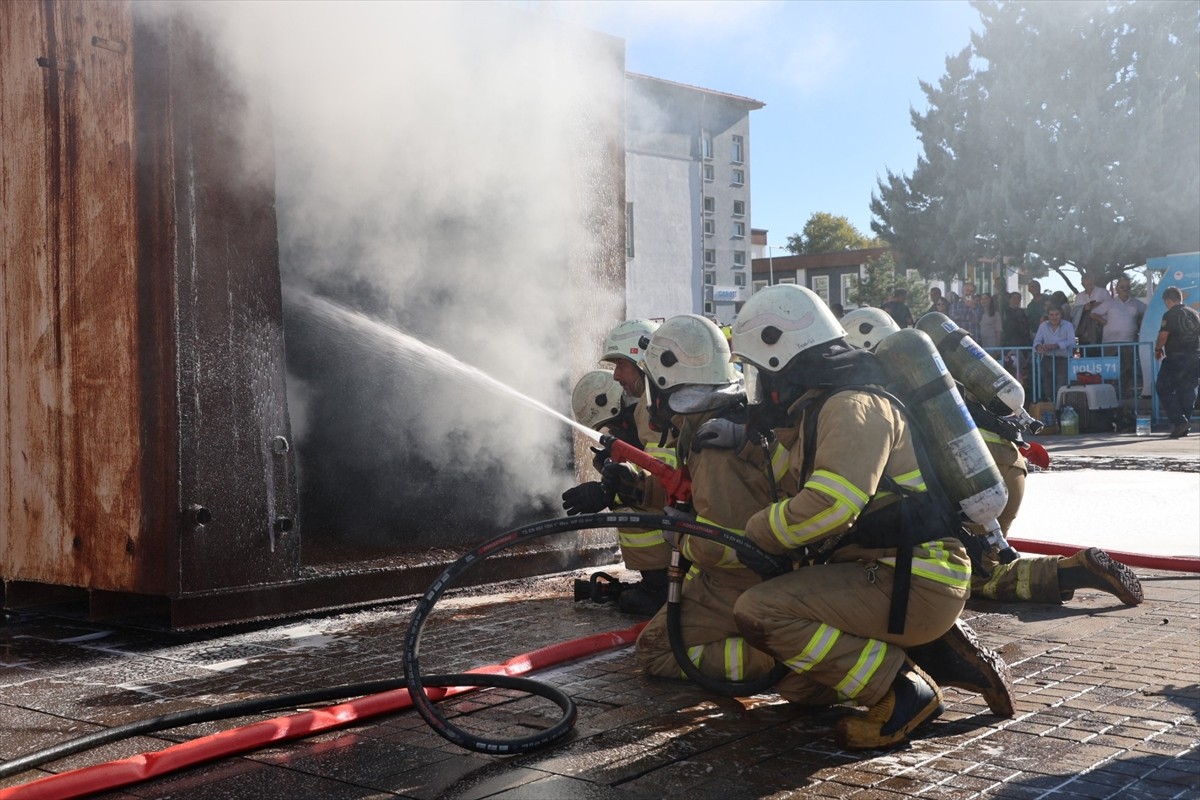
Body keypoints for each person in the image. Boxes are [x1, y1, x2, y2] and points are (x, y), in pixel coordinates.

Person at [727, 284, 974, 750]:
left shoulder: (853, 406)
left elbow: (831, 505)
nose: (759, 387)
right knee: (799, 686)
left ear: (783, 359)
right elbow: (792, 484)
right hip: (886, 570)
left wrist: (757, 532)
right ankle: (924, 654)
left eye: (759, 372)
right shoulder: (820, 410)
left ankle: (904, 689)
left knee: (760, 611)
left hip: (914, 577)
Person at [845, 320, 1144, 610]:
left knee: (969, 577)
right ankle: (1018, 559)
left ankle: (1073, 571)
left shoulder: (877, 389)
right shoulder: (925, 364)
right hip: (1005, 464)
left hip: (970, 479)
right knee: (992, 551)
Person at [630, 315, 782, 685]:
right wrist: (639, 489)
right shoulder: (712, 424)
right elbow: (692, 492)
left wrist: (678, 537)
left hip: (737, 584)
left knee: (656, 651)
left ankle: (783, 661)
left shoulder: (714, 448)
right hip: (740, 580)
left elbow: (724, 543)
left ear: (667, 383)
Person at [563, 319, 674, 616]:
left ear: (643, 360)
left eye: (622, 365)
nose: (616, 375)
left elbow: (664, 476)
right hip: (687, 530)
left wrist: (608, 493)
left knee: (628, 508)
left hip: (692, 531)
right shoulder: (652, 406)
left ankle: (659, 587)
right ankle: (657, 583)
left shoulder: (653, 409)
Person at [1153, 287, 1200, 439]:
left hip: (1176, 357)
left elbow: (1163, 336)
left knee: (1163, 387)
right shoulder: (1194, 314)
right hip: (1194, 356)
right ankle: (1183, 426)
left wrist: (1158, 349)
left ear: (1168, 300)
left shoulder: (1170, 313)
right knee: (1187, 391)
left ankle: (1180, 422)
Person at [1092, 277, 1146, 394]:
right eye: (1122, 287)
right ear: (1116, 289)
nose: (1125, 289)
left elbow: (1146, 315)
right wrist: (1102, 322)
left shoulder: (1138, 304)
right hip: (1109, 343)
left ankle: (1123, 394)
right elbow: (1093, 313)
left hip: (1129, 342)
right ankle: (1109, 394)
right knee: (1109, 370)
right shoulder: (1109, 303)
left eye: (1128, 287)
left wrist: (1140, 323)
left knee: (1126, 370)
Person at [1033, 307, 1075, 401]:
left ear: (1061, 315)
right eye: (1051, 314)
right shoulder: (1043, 326)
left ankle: (1061, 407)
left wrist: (1057, 345)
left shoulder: (1068, 325)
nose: (1054, 317)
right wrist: (1039, 347)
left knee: (1061, 385)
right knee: (1047, 386)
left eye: (1057, 314)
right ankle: (1050, 407)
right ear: (1048, 315)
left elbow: (1072, 341)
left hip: (1063, 359)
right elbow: (1037, 341)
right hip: (1047, 359)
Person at [1001, 292, 1032, 395]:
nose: (1016, 301)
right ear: (1010, 300)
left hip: (1022, 346)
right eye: (1014, 298)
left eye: (1018, 298)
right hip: (1008, 345)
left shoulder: (1023, 313)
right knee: (1009, 371)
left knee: (1022, 373)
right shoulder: (1004, 312)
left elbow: (1026, 329)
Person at [1073, 275, 1111, 356]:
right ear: (1082, 284)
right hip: (1083, 331)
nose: (1089, 286)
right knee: (1081, 353)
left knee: (1100, 353)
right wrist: (1083, 308)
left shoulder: (1103, 292)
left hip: (1100, 327)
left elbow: (1111, 307)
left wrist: (1098, 305)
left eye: (1090, 284)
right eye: (1086, 285)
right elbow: (1074, 313)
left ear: (1094, 282)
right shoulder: (1079, 297)